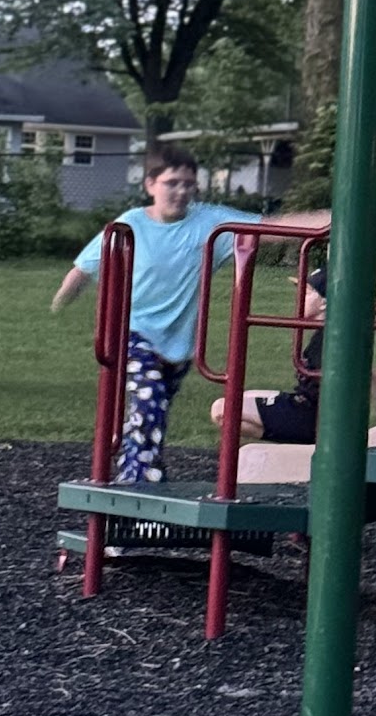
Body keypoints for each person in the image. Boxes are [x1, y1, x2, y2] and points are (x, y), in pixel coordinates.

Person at [51, 152, 329, 484]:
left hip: (178, 346)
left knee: (153, 410)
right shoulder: (132, 224)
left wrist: (331, 219)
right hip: (134, 334)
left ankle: (137, 463)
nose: (181, 191)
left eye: (188, 184)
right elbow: (85, 266)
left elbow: (271, 228)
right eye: (171, 183)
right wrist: (61, 300)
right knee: (149, 401)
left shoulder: (208, 223)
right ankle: (139, 479)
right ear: (150, 184)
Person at [207, 267, 376, 445]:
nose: (299, 298)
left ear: (325, 303)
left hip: (313, 417)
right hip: (307, 407)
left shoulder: (331, 340)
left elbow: (335, 391)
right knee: (236, 398)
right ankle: (301, 450)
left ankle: (308, 447)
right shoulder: (328, 334)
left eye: (307, 293)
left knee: (222, 408)